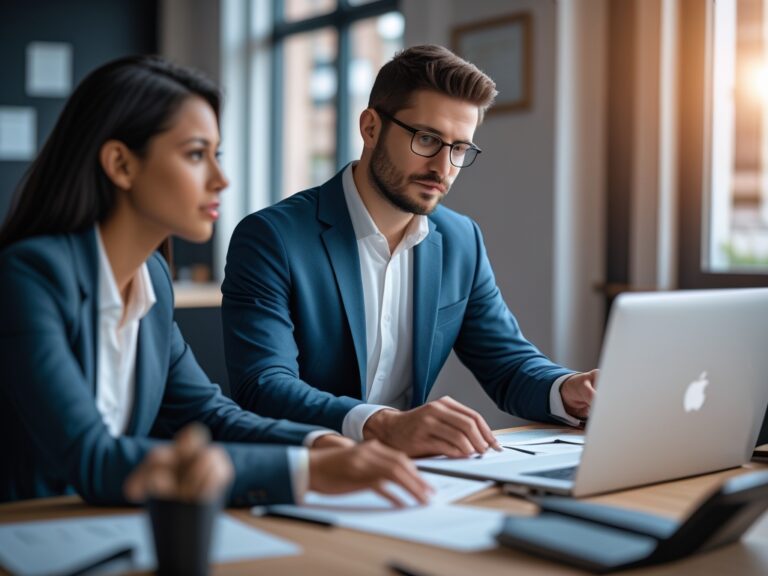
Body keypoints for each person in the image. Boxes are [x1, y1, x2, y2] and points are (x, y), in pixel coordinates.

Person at [0, 55, 431, 507]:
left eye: (216, 155)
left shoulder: (151, 279)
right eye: (194, 155)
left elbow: (206, 413)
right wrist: (307, 471)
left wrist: (318, 444)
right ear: (121, 165)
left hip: (106, 531)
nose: (221, 180)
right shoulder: (28, 277)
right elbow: (92, 459)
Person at [222, 45, 598, 458]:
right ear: (369, 128)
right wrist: (382, 424)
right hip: (303, 469)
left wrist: (568, 389)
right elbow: (264, 384)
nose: (442, 167)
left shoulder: (460, 240)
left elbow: (507, 365)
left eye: (459, 149)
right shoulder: (271, 237)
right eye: (427, 139)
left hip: (410, 474)